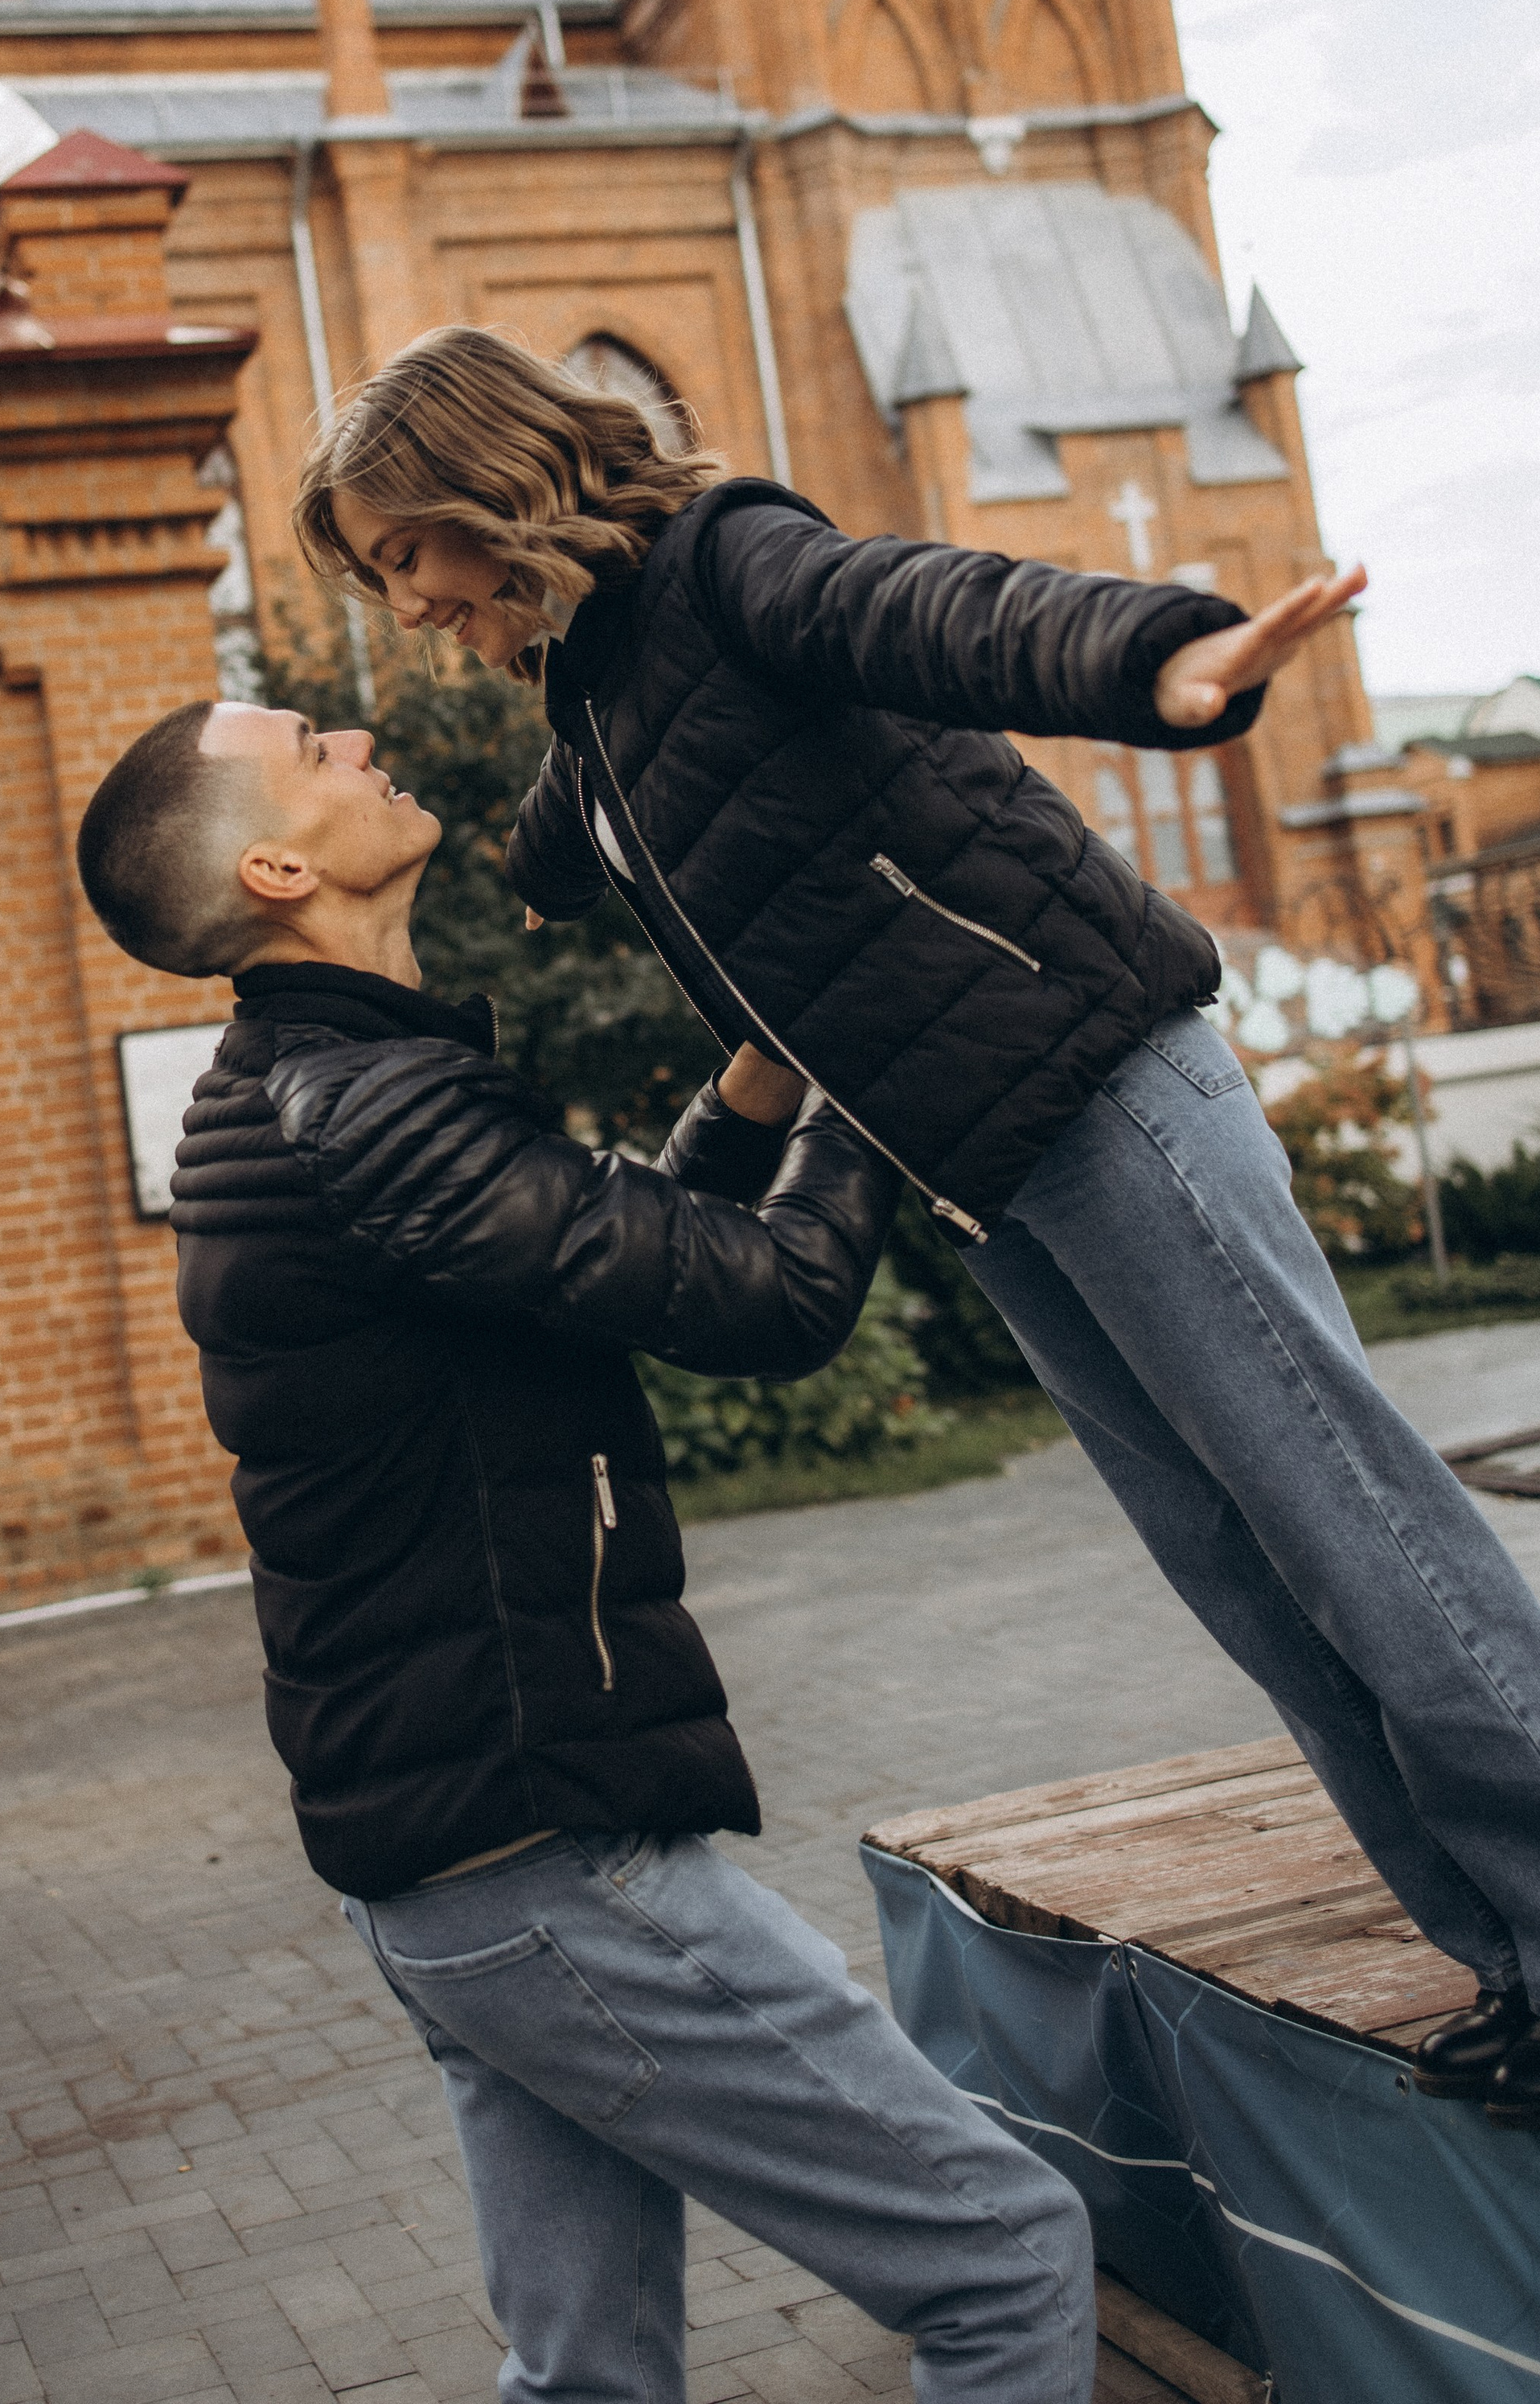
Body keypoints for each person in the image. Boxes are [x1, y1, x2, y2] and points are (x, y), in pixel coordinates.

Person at [293, 323, 1540, 2135]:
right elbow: (591, 831)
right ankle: (1516, 1962)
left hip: (1098, 1082)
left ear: (485, 486)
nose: (402, 603)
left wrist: (1163, 657)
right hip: (982, 1163)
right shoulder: (586, 689)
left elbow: (939, 610)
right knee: (1235, 1566)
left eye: (400, 555)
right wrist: (523, 839)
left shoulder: (727, 564)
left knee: (1340, 1513)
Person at [73, 694, 1097, 2404]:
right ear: (271, 865)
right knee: (1004, 2253)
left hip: (451, 1878)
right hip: (547, 1865)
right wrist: (854, 1062)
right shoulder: (365, 1111)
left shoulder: (321, 1092)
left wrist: (760, 1085)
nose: (348, 729)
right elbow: (766, 1300)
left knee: (585, 2381)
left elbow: (610, 1258)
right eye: (304, 746)